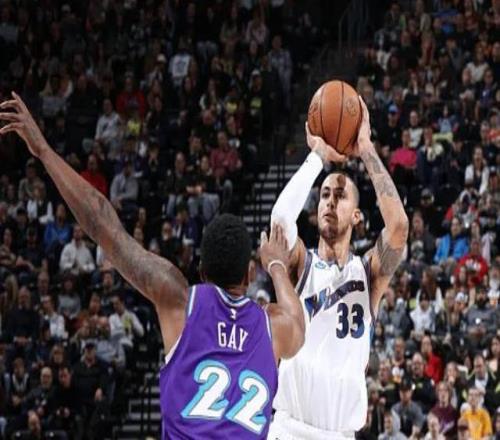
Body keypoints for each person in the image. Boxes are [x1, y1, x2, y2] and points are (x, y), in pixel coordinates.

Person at [0, 92, 305, 438]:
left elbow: (104, 225)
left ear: (201, 271)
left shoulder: (179, 300)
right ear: (250, 274)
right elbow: (298, 322)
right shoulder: (274, 326)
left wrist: (43, 150)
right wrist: (276, 265)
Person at [268, 98, 409, 438]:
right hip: (288, 429)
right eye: (325, 195)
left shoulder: (368, 273)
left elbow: (399, 227)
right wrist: (317, 156)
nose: (330, 201)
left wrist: (367, 149)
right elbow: (280, 221)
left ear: (357, 216)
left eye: (341, 195)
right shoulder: (301, 264)